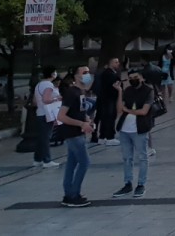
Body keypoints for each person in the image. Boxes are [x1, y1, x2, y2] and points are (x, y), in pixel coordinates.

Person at [112, 69, 154, 198]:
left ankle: (141, 184)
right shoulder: (128, 90)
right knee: (127, 158)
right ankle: (127, 183)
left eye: (135, 77)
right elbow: (119, 109)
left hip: (139, 128)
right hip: (125, 129)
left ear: (141, 77)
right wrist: (120, 91)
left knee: (142, 157)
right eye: (130, 78)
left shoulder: (148, 91)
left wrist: (127, 110)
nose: (133, 80)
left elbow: (144, 111)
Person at [57, 67, 96, 207]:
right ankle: (74, 194)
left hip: (78, 132)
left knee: (72, 163)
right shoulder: (72, 92)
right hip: (73, 133)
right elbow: (61, 116)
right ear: (76, 76)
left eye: (88, 72)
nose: (87, 75)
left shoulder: (80, 92)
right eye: (84, 73)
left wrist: (87, 120)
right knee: (84, 162)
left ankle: (69, 194)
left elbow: (80, 111)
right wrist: (81, 124)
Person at [33, 65, 61, 169]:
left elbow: (35, 101)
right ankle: (47, 160)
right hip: (47, 114)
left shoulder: (39, 85)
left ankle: (37, 159)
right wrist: (57, 99)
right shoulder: (49, 85)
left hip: (40, 112)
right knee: (46, 138)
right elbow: (46, 99)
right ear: (52, 73)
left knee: (42, 137)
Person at [94, 57, 121, 145]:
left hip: (104, 98)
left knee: (105, 118)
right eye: (116, 62)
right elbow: (114, 86)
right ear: (111, 63)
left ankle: (102, 137)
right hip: (109, 99)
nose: (118, 63)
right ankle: (109, 137)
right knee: (110, 117)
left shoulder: (106, 73)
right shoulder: (110, 74)